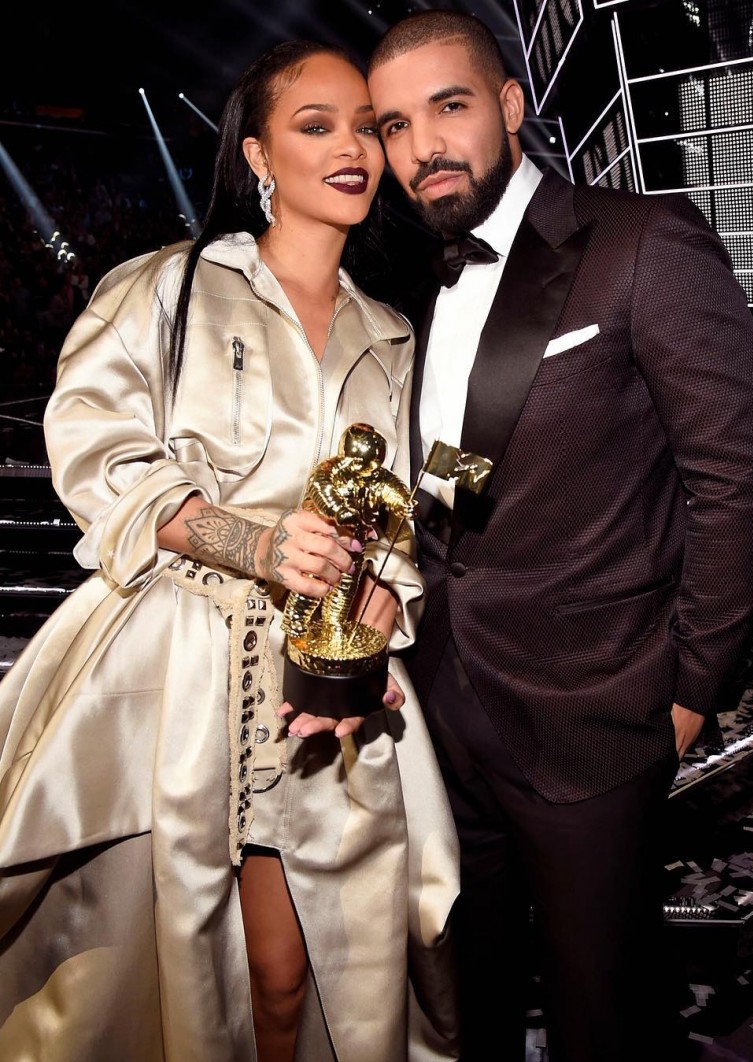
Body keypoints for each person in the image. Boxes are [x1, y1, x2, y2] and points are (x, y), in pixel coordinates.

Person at [0, 40, 459, 1062]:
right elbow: (100, 451)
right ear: (256, 154)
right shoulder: (165, 287)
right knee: (174, 959)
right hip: (175, 664)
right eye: (315, 125)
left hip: (321, 681)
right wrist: (251, 541)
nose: (351, 149)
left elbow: (400, 511)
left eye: (366, 127)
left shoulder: (391, 333)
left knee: (293, 976)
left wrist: (384, 592)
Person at [367, 11, 753, 1062]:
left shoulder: (643, 241)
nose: (423, 146)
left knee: (604, 1014)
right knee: (473, 999)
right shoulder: (420, 282)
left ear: (510, 106)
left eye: (449, 106)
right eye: (395, 125)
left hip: (595, 715)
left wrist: (690, 689)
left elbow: (738, 472)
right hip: (446, 707)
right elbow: (466, 468)